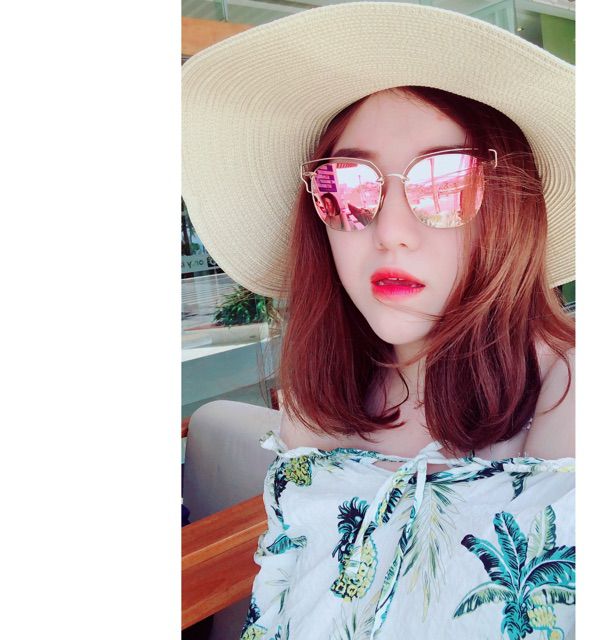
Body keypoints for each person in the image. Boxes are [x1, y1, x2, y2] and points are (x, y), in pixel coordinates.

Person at [182, 3, 575, 639]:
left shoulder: (572, 393)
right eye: (348, 187)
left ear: (514, 205)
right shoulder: (320, 393)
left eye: (446, 182)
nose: (391, 231)